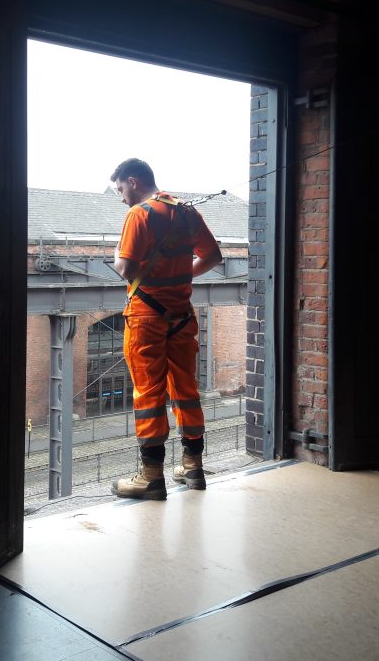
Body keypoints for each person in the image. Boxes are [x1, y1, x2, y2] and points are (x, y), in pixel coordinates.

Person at [109, 158, 223, 500]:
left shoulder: (139, 214)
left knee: (148, 395)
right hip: (182, 316)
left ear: (133, 181)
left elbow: (126, 270)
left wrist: (117, 255)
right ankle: (193, 468)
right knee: (186, 390)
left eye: (120, 189)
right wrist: (183, 275)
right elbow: (213, 256)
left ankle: (151, 476)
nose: (121, 197)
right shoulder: (187, 213)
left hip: (147, 317)